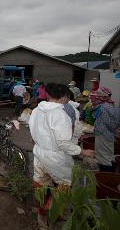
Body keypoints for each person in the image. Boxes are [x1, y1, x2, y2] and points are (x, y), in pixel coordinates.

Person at [29, 83, 94, 229]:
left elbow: (32, 132)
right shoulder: (60, 114)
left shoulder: (37, 110)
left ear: (47, 95)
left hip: (39, 153)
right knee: (65, 184)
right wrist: (83, 151)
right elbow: (63, 144)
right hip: (55, 158)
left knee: (41, 185)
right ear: (64, 97)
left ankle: (41, 217)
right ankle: (51, 212)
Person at [91, 88, 120, 172]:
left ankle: (107, 173)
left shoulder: (104, 107)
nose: (93, 100)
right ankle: (107, 171)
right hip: (106, 134)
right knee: (106, 155)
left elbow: (110, 124)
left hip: (104, 135)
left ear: (102, 97)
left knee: (104, 157)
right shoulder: (110, 105)